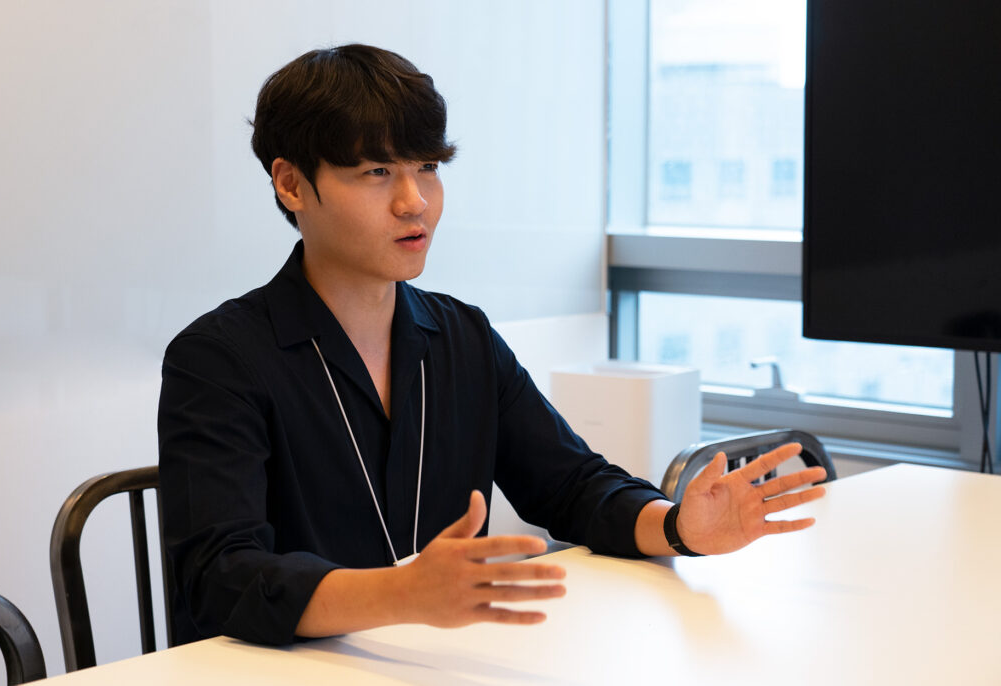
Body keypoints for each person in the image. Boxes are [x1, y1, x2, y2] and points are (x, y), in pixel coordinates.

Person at [158, 43, 827, 647]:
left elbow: (570, 485)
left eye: (427, 167)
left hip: (435, 661)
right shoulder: (218, 359)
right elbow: (219, 576)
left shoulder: (463, 338)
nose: (415, 202)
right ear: (291, 183)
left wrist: (678, 527)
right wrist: (400, 594)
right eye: (377, 171)